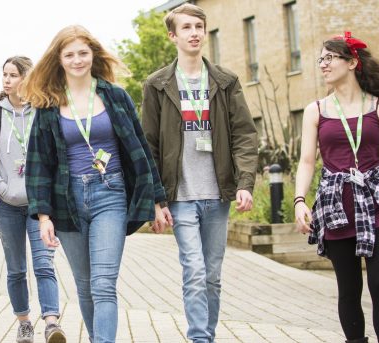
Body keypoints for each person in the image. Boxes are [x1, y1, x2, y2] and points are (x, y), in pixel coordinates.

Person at [23, 25, 170, 343]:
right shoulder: (49, 105)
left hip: (110, 194)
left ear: (93, 55)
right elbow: (38, 164)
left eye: (83, 53)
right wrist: (43, 217)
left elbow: (141, 149)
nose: (77, 60)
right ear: (59, 59)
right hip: (68, 200)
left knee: (104, 283)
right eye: (70, 54)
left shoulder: (114, 96)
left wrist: (158, 201)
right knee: (85, 285)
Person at [141, 4, 259, 343]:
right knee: (193, 271)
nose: (194, 33)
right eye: (187, 27)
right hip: (179, 196)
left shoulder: (225, 81)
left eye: (199, 27)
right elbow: (148, 144)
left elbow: (244, 135)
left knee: (212, 276)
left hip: (216, 194)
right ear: (172, 35)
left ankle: (206, 334)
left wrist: (245, 183)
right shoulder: (158, 85)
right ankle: (200, 338)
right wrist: (155, 199)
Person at [294, 32, 379, 343]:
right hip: (336, 205)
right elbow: (307, 161)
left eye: (330, 58)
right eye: (321, 59)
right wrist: (299, 201)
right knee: (348, 289)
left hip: (377, 202)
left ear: (352, 62)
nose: (323, 64)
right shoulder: (315, 111)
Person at [0, 56, 66, 343]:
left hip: (40, 207)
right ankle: (24, 322)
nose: (6, 80)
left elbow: (56, 156)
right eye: (4, 74)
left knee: (44, 265)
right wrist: (1, 188)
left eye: (13, 75)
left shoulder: (43, 111)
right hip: (6, 207)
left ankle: (52, 322)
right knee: (16, 269)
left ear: (26, 78)